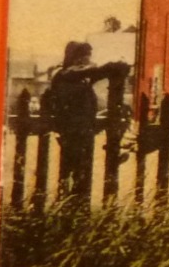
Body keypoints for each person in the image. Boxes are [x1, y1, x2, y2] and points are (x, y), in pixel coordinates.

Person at [42, 41, 129, 204]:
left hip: (84, 127)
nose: (85, 61)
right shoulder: (63, 74)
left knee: (82, 170)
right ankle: (69, 204)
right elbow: (95, 71)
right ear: (72, 58)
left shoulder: (81, 75)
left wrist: (120, 66)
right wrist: (111, 66)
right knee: (72, 169)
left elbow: (102, 72)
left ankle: (77, 204)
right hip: (71, 129)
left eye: (87, 57)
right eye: (81, 57)